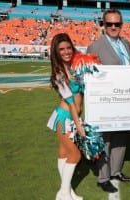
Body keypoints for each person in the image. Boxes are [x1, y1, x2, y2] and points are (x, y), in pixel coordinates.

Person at [86, 8, 130, 193]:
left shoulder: (127, 44)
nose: (113, 27)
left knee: (121, 138)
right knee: (104, 139)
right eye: (109, 24)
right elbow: (88, 76)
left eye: (117, 24)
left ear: (121, 25)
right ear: (103, 25)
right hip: (105, 102)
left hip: (125, 100)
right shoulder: (95, 47)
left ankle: (115, 171)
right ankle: (104, 177)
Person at [47, 33, 86, 200]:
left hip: (72, 116)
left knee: (64, 153)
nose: (66, 51)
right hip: (65, 117)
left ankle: (67, 191)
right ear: (56, 52)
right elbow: (71, 103)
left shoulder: (75, 66)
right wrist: (78, 125)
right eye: (61, 49)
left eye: (68, 47)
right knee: (75, 154)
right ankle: (63, 194)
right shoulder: (59, 73)